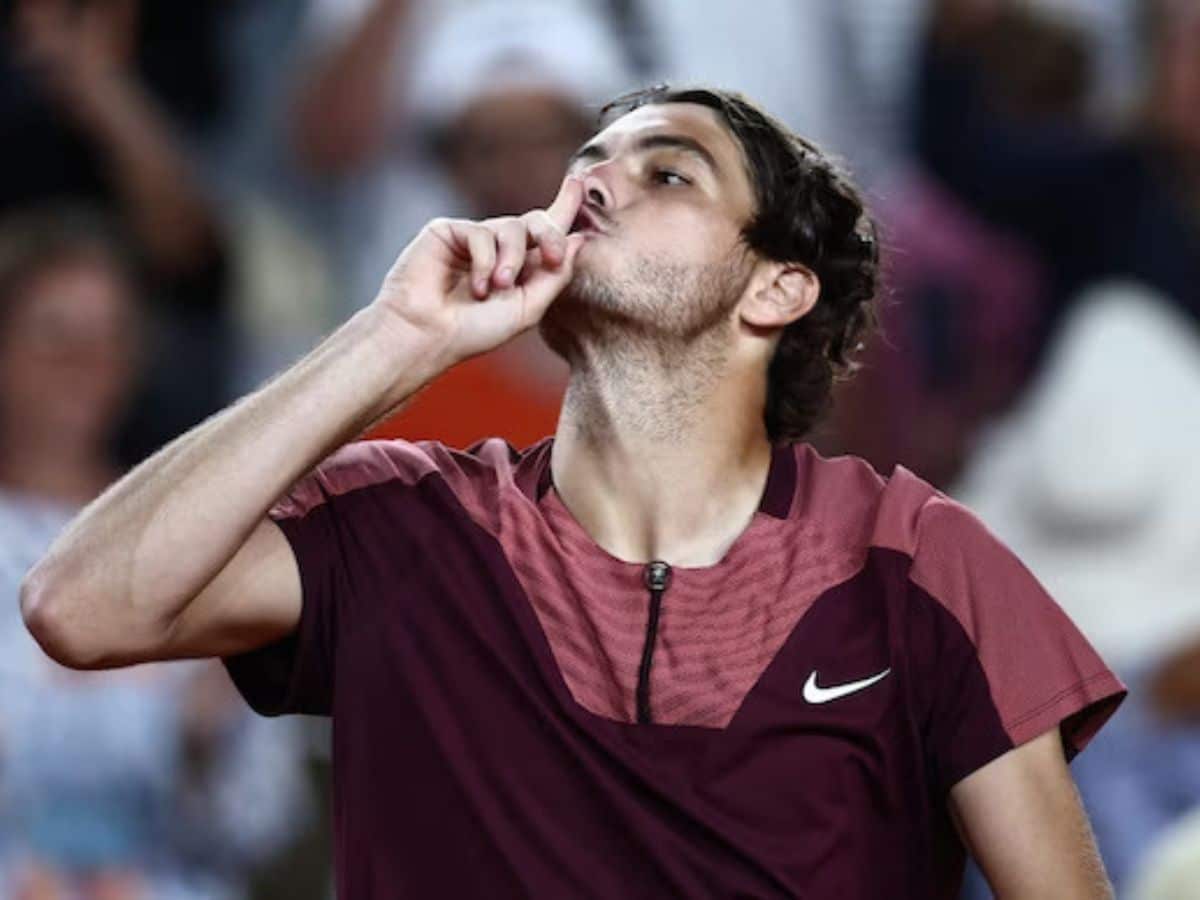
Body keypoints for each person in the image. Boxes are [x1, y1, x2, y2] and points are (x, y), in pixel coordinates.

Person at [21, 84, 1128, 898]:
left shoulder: (916, 561)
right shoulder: (404, 519)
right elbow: (81, 606)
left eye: (668, 172)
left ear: (778, 288)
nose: (592, 181)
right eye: (588, 162)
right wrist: (394, 338)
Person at [0, 207, 311, 899]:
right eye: (56, 336)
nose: (87, 365)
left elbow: (265, 826)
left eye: (111, 338)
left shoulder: (191, 538)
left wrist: (209, 743)